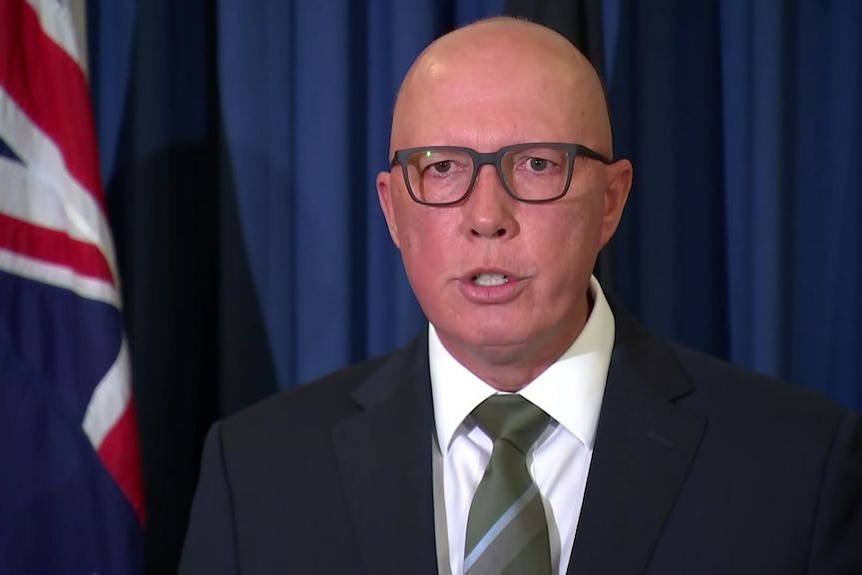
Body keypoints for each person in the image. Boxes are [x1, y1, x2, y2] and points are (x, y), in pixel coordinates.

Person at [179, 17, 861, 574]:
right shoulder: (258, 473)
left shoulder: (796, 468)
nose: (487, 214)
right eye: (442, 168)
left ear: (612, 200)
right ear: (392, 210)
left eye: (536, 164)